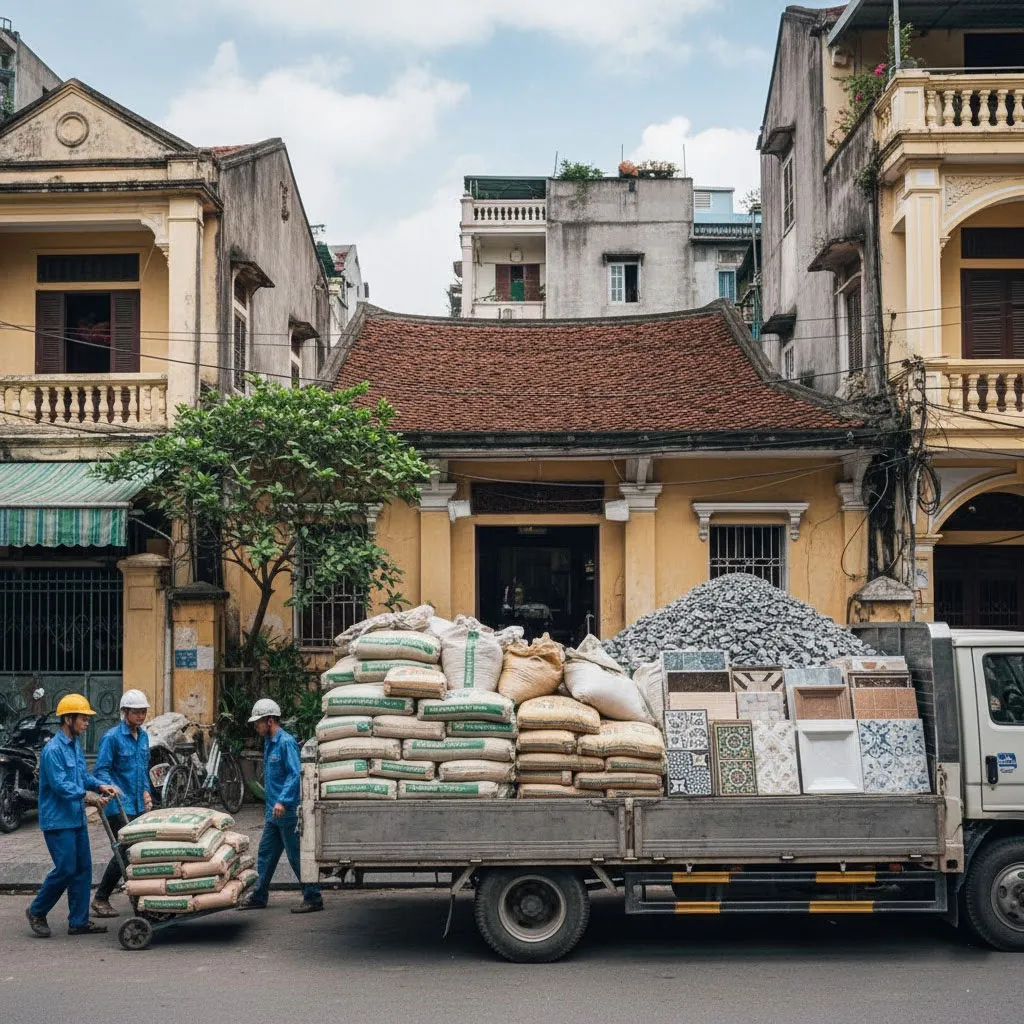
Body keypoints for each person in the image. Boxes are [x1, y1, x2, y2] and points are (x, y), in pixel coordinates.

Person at [26, 694, 120, 938]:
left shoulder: (75, 746)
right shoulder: (53, 750)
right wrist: (88, 797)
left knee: (83, 869)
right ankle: (37, 910)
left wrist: (100, 785)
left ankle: (78, 922)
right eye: (83, 718)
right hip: (58, 820)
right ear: (68, 719)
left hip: (75, 818)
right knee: (67, 868)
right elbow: (60, 785)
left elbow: (82, 777)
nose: (87, 723)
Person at [239, 698, 323, 913]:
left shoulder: (285, 742)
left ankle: (313, 896)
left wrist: (282, 801)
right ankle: (259, 895)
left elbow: (295, 775)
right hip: (273, 812)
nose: (255, 726)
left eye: (258, 722)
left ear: (269, 721)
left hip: (286, 811)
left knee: (296, 855)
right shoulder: (269, 742)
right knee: (266, 853)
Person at [90, 689, 153, 918]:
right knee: (125, 851)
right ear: (124, 712)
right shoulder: (111, 737)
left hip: (137, 804)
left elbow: (143, 769)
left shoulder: (144, 737)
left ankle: (140, 895)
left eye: (143, 712)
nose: (140, 716)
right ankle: (101, 897)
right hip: (119, 805)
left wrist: (146, 792)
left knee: (137, 851)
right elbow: (101, 770)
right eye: (136, 712)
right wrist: (112, 787)